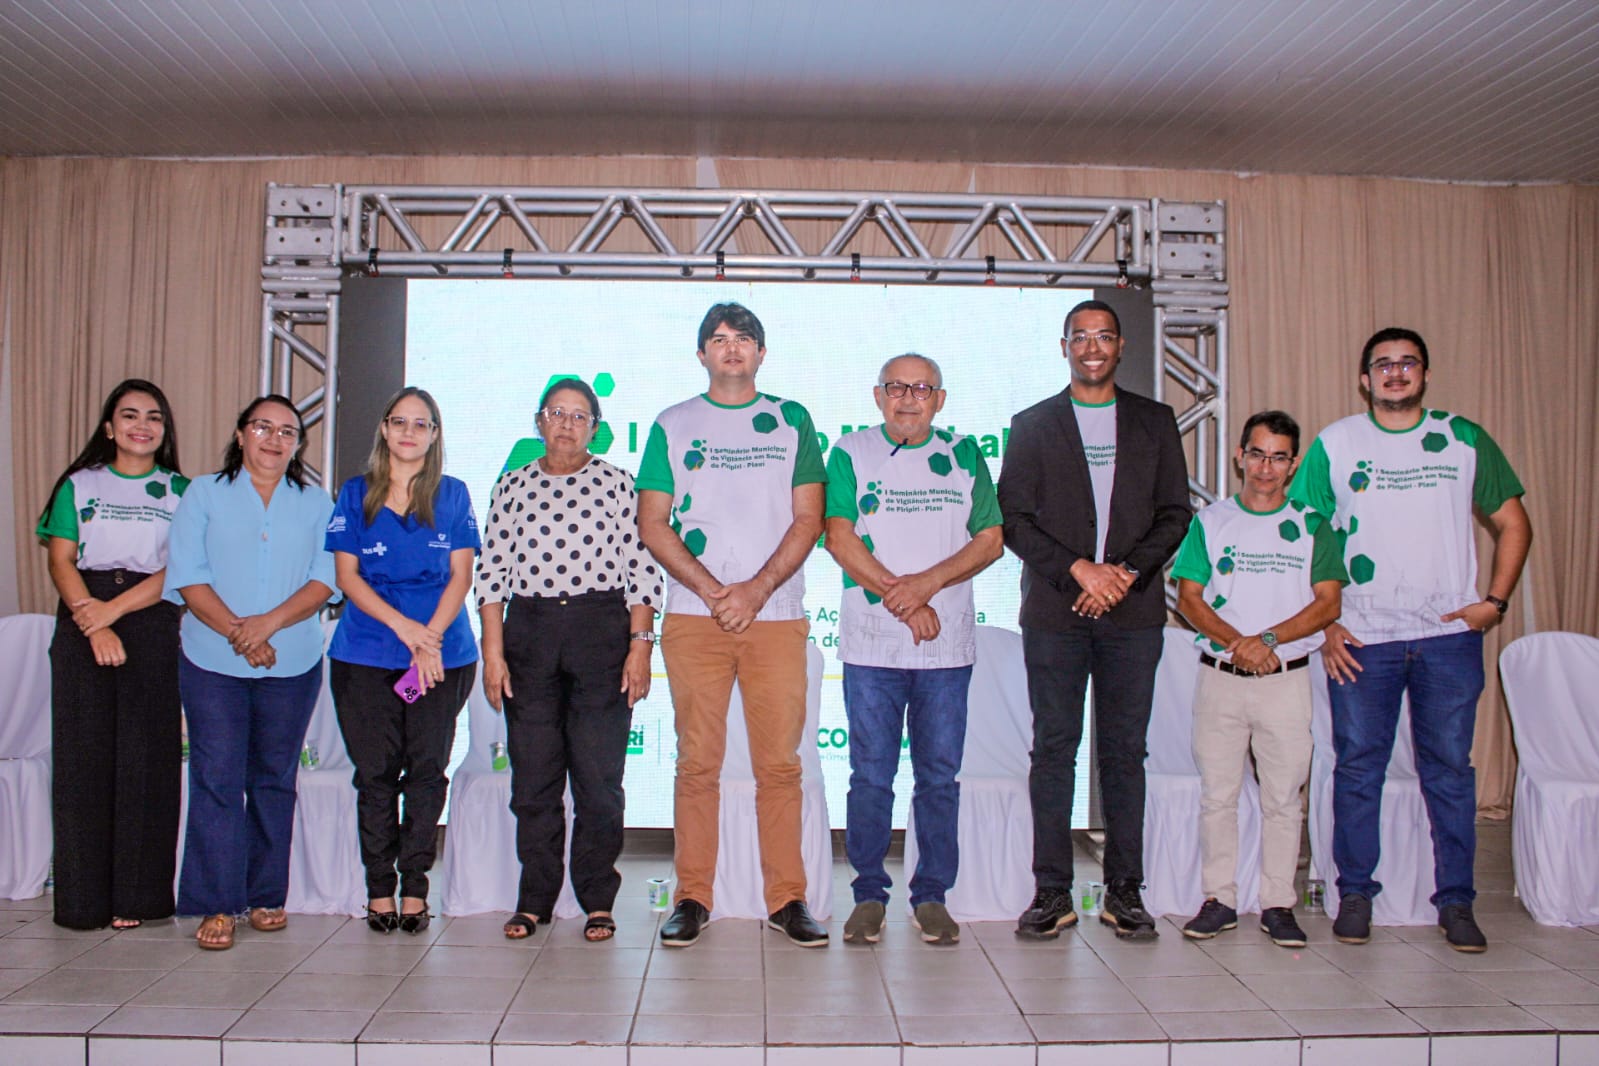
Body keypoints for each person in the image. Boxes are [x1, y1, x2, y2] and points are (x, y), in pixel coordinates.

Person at [1289, 326, 1531, 953]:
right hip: (1362, 637)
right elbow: (1302, 535)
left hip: (1447, 637)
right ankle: (1355, 895)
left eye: (1407, 363)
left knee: (1449, 770)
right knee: (1358, 768)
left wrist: (1493, 605)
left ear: (1424, 373)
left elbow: (1513, 523)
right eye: (1383, 364)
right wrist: (1326, 621)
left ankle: (1457, 902)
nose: (1395, 373)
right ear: (1364, 378)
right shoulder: (1337, 443)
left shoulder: (1463, 438)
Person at [997, 298, 1191, 941]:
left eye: (1104, 335)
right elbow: (1013, 519)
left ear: (1120, 345)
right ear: (1064, 347)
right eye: (1080, 336)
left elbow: (1175, 513)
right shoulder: (1032, 424)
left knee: (1125, 753)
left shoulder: (1155, 421)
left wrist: (1123, 574)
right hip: (1056, 612)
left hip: (1133, 614)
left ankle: (1125, 891)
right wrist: (1080, 570)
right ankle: (1051, 891)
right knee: (1054, 749)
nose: (1092, 347)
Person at [637, 302, 829, 948]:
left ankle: (788, 899)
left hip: (776, 616)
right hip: (695, 617)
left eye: (743, 339)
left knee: (779, 766)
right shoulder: (672, 423)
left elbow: (809, 519)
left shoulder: (792, 419)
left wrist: (755, 590)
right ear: (701, 354)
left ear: (761, 353)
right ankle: (693, 896)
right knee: (697, 763)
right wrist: (714, 590)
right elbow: (652, 523)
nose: (731, 349)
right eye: (718, 340)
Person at [823, 354, 1003, 946]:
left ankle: (931, 896)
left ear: (939, 400)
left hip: (945, 649)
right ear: (878, 396)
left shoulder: (964, 454)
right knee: (870, 778)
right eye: (896, 387)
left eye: (921, 388)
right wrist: (904, 599)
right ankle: (868, 895)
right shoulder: (849, 452)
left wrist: (926, 586)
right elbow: (839, 538)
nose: (908, 398)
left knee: (939, 778)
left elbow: (991, 540)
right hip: (871, 647)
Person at [477, 378, 662, 944]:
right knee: (533, 780)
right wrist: (492, 651)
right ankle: (534, 899)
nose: (566, 424)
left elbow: (642, 570)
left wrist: (640, 646)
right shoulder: (512, 485)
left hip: (600, 630)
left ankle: (597, 899)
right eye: (557, 413)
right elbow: (491, 574)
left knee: (599, 781)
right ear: (539, 421)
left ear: (595, 429)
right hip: (529, 632)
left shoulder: (618, 484)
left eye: (579, 416)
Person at [164, 395, 337, 950]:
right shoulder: (203, 494)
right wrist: (242, 635)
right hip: (212, 661)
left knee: (274, 779)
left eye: (287, 432)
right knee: (216, 778)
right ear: (240, 434)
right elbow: (188, 576)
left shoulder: (315, 502)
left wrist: (267, 626)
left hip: (292, 660)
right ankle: (217, 903)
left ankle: (265, 894)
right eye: (263, 427)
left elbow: (324, 579)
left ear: (298, 445)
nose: (274, 439)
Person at [1172, 410, 1346, 947]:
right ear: (1239, 456)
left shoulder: (1313, 525)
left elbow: (1328, 604)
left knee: (1283, 798)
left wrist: (1265, 641)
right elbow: (1188, 599)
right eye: (1256, 454)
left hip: (1285, 682)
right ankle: (1219, 899)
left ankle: (1277, 903)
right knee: (1218, 796)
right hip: (1221, 679)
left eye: (1277, 457)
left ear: (1293, 464)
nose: (1265, 468)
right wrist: (1238, 644)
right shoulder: (1211, 522)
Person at [325, 387, 479, 935]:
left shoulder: (453, 494)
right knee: (375, 776)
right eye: (399, 422)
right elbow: (347, 579)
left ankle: (415, 887)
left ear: (434, 435)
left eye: (421, 424)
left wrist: (428, 640)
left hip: (440, 660)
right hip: (366, 656)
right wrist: (407, 630)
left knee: (426, 773)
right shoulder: (355, 494)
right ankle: (378, 889)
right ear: (384, 430)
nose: (409, 432)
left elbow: (461, 575)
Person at [37, 379, 187, 930]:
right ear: (108, 427)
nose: (142, 426)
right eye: (129, 415)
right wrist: (91, 619)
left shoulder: (180, 490)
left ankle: (139, 898)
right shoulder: (79, 484)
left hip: (149, 616)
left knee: (148, 761)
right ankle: (82, 901)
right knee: (83, 760)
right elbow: (61, 560)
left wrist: (113, 613)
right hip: (83, 611)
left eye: (153, 417)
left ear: (165, 430)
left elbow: (181, 568)